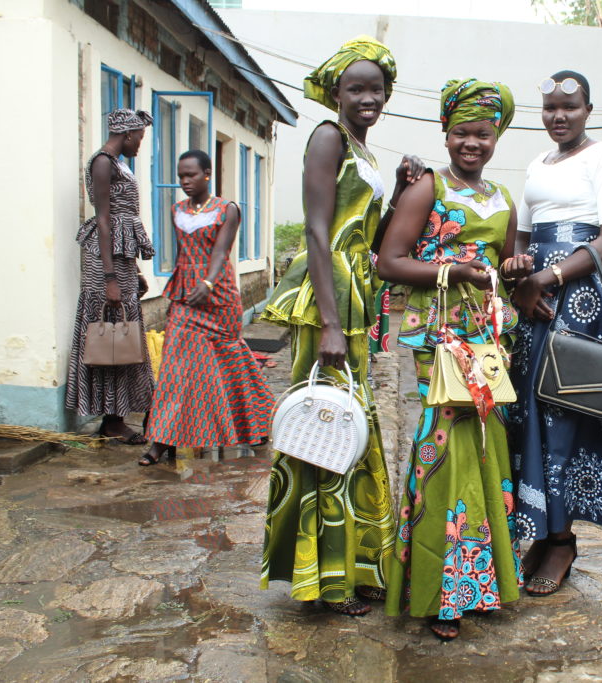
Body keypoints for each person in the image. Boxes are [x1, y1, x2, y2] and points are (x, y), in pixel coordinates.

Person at [259, 36, 424, 616]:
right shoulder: (328, 137)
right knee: (323, 426)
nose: (367, 98)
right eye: (356, 88)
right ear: (335, 92)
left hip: (356, 294)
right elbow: (317, 231)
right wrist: (330, 323)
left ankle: (353, 565)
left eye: (376, 89)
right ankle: (326, 580)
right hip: (328, 299)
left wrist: (402, 189)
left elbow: (374, 246)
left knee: (349, 426)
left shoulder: (367, 154)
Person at [378, 78, 533, 641]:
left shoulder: (503, 199)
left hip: (486, 340)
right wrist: (453, 271)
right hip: (438, 339)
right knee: (441, 454)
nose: (473, 143)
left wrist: (513, 267)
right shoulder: (428, 186)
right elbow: (388, 262)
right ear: (445, 132)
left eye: (484, 134)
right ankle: (439, 594)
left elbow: (505, 260)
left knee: (486, 451)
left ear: (497, 138)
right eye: (463, 132)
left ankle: (480, 586)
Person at [508, 71, 602, 597]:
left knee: (566, 410)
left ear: (588, 109)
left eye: (568, 107)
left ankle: (564, 542)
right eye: (549, 107)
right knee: (530, 410)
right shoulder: (536, 164)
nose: (558, 116)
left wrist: (545, 278)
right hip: (535, 304)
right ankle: (544, 532)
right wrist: (519, 274)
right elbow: (521, 234)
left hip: (581, 297)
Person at [139, 150, 272, 465]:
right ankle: (160, 441)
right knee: (175, 366)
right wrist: (191, 284)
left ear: (207, 174)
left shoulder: (227, 209)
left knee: (230, 361)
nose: (185, 181)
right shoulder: (177, 210)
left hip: (218, 295)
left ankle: (256, 422)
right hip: (185, 296)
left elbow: (221, 250)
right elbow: (186, 252)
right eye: (181, 175)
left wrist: (209, 282)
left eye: (191, 175)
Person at [67, 109, 155, 444]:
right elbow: (104, 220)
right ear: (129, 134)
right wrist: (110, 279)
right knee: (111, 336)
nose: (139, 145)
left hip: (119, 262)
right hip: (105, 264)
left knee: (123, 338)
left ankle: (115, 416)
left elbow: (122, 227)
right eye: (140, 139)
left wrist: (133, 270)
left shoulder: (119, 164)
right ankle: (112, 420)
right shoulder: (102, 162)